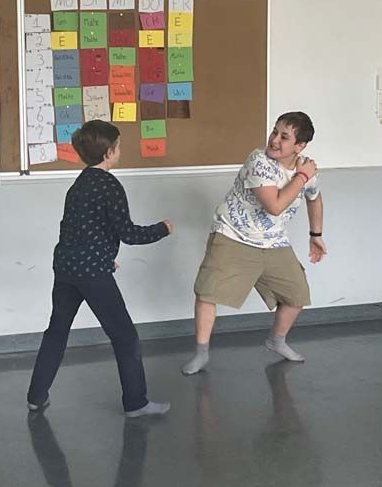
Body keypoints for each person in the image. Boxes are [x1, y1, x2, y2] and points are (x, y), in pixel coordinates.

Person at [27, 120, 173, 416]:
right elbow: (128, 233)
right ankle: (136, 403)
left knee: (57, 332)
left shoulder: (79, 183)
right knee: (125, 336)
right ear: (108, 153)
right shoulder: (109, 185)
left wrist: (104, 256)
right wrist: (163, 229)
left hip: (66, 267)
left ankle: (36, 396)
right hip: (91, 273)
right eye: (118, 147)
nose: (119, 151)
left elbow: (78, 229)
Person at [182, 111, 325, 375]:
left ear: (300, 146)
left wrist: (315, 235)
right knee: (207, 293)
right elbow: (275, 206)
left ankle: (276, 341)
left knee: (296, 296)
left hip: (274, 242)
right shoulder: (259, 160)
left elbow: (314, 198)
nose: (274, 140)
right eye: (274, 132)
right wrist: (302, 177)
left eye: (284, 137)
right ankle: (201, 354)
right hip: (233, 235)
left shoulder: (305, 169)